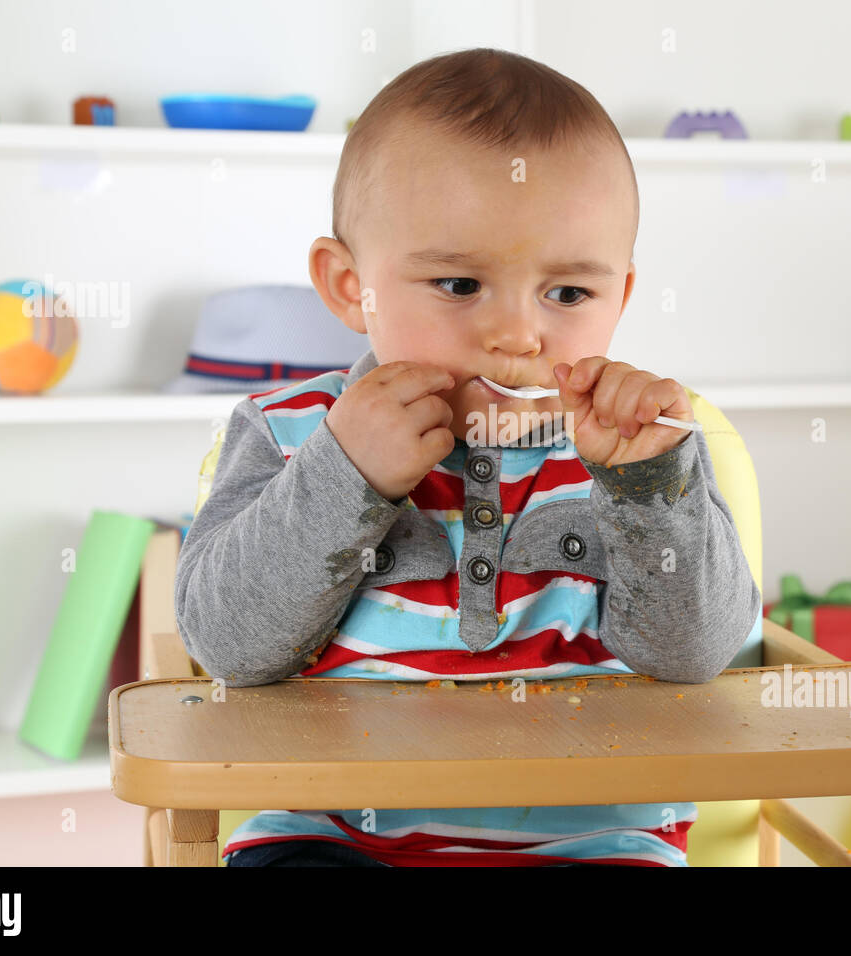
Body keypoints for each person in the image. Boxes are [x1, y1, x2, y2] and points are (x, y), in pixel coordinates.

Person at [174, 47, 761, 867]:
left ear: (620, 298)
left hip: (594, 843)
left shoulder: (642, 446)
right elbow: (227, 645)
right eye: (458, 285)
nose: (519, 334)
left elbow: (695, 652)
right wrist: (347, 471)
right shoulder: (290, 429)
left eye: (568, 294)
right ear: (351, 286)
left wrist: (646, 486)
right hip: (337, 839)